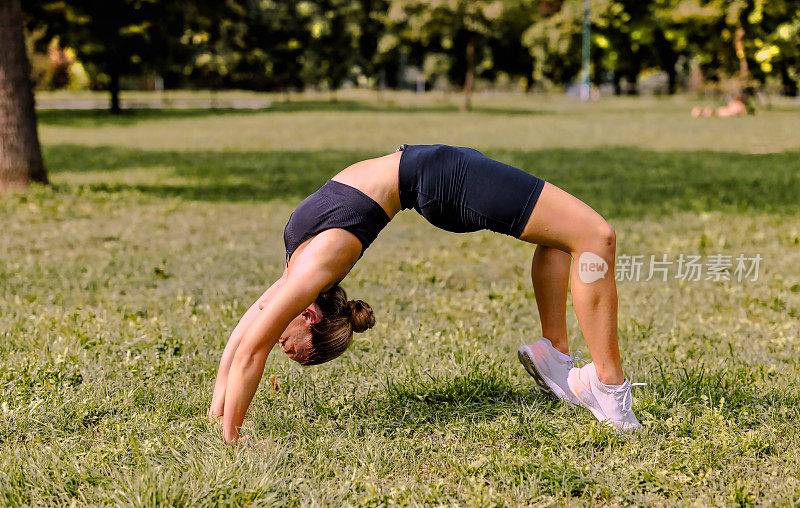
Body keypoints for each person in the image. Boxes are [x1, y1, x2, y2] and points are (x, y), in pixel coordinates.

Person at [209, 144, 644, 443]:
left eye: (291, 347)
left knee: (583, 237)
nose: (279, 343)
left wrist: (225, 427)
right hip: (435, 176)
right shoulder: (306, 268)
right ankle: (602, 382)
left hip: (441, 176)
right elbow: (252, 341)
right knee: (595, 235)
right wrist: (226, 426)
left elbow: (247, 345)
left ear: (311, 318)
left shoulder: (307, 271)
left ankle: (568, 363)